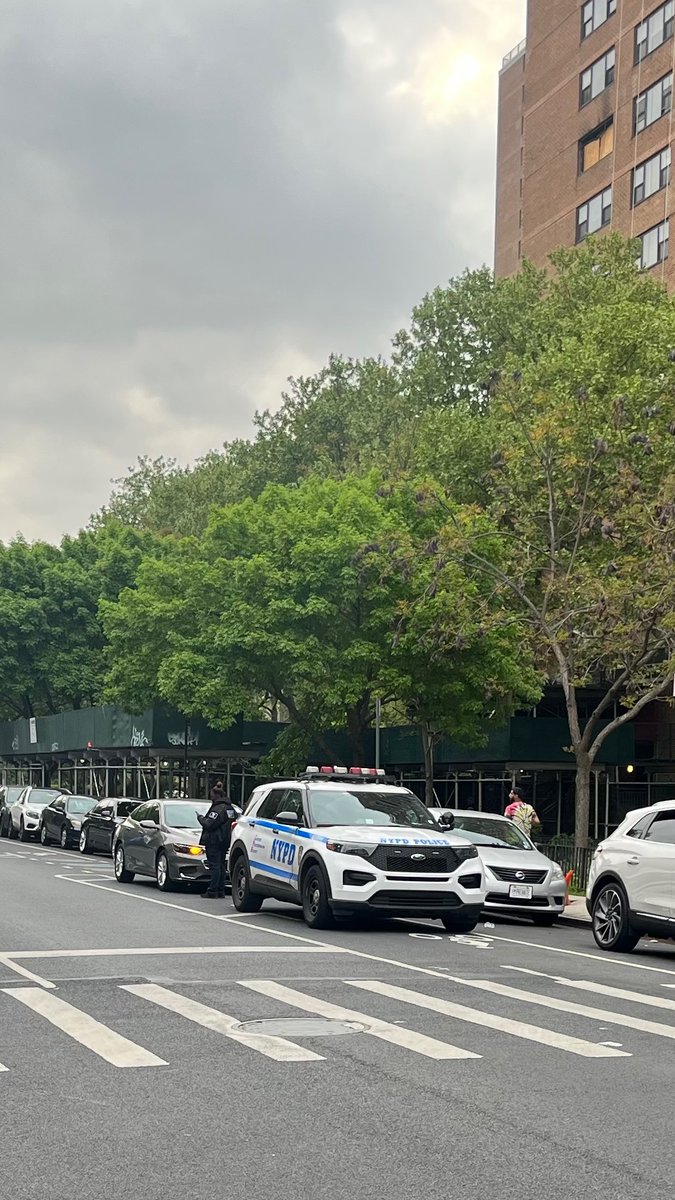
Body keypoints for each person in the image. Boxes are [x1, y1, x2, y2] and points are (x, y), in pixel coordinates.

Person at [198, 781, 237, 900]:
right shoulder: (230, 808)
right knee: (220, 866)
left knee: (215, 866)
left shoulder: (218, 808)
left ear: (216, 795)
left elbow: (209, 824)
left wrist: (200, 818)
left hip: (214, 840)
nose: (210, 796)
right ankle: (220, 890)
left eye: (211, 794)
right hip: (225, 840)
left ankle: (212, 890)